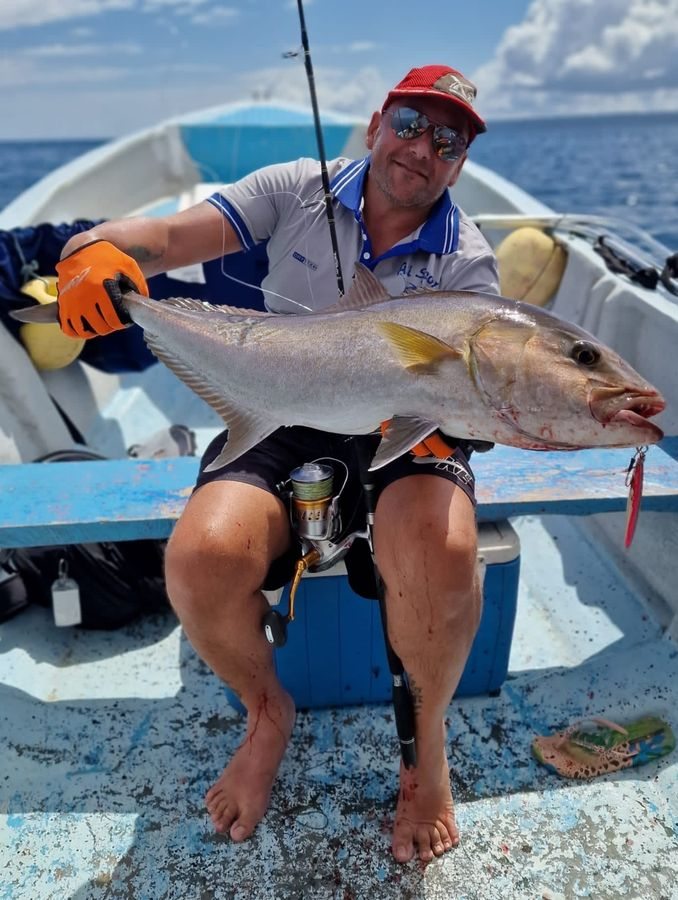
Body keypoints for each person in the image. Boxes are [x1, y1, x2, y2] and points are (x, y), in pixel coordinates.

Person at [54, 64, 499, 864]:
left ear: (459, 163)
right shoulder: (297, 187)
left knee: (444, 549)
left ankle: (426, 750)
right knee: (200, 559)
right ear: (375, 124)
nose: (421, 149)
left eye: (447, 141)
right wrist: (93, 250)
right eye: (409, 124)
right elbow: (167, 240)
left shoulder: (467, 263)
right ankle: (266, 713)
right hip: (284, 403)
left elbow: (474, 396)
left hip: (406, 425)